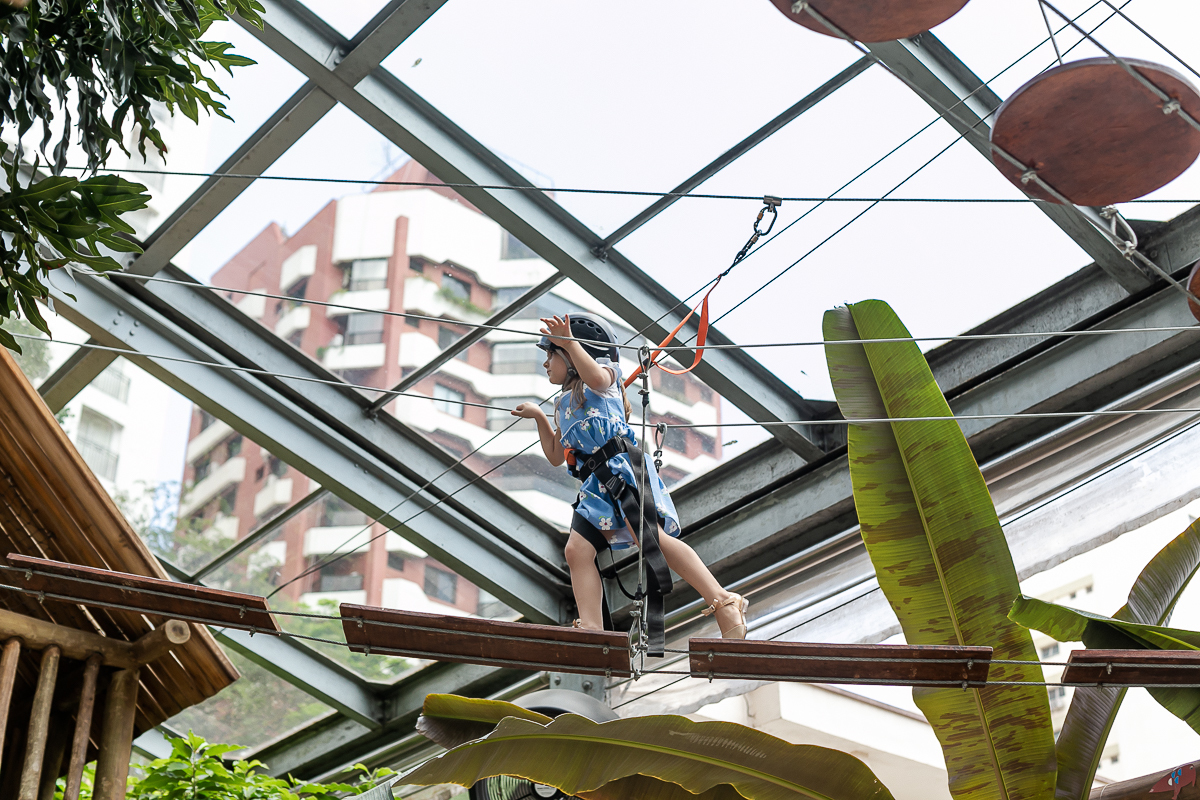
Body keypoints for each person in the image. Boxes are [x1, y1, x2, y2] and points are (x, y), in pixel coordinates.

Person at [511, 313, 749, 641]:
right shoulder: (562, 403)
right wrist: (539, 417)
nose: (546, 363)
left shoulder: (607, 378)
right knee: (576, 552)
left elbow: (594, 378)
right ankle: (593, 627)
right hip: (596, 486)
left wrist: (569, 342)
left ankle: (722, 599)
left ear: (575, 353)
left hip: (621, 472)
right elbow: (554, 454)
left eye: (551, 354)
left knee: (653, 540)